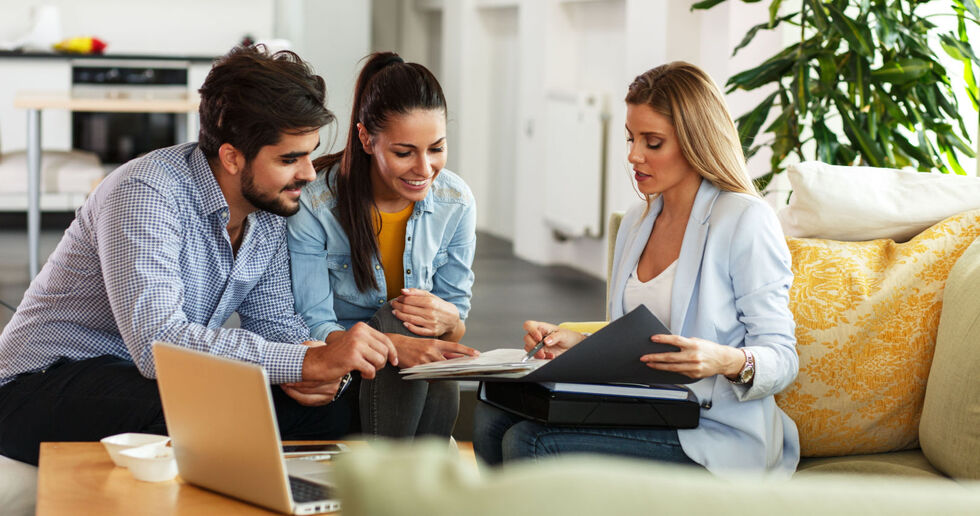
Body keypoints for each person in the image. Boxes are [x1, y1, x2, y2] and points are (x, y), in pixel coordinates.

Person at [0, 45, 396, 466]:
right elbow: (159, 343)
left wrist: (318, 370)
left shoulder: (268, 211)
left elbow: (276, 321)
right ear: (231, 157)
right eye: (289, 159)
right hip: (40, 384)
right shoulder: (146, 193)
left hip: (143, 379)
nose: (309, 173)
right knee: (205, 408)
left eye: (309, 154)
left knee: (334, 410)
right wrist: (304, 360)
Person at [473, 61, 800, 475]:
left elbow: (783, 358)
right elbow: (639, 339)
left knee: (529, 441)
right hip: (647, 410)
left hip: (714, 431)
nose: (633, 155)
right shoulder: (636, 221)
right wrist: (579, 344)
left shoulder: (744, 220)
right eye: (631, 138)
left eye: (653, 142)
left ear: (695, 141)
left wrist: (724, 360)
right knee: (490, 419)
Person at [287, 51, 478, 439]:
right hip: (344, 368)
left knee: (422, 325)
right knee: (401, 319)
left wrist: (449, 320)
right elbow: (313, 322)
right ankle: (414, 477)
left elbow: (455, 325)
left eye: (436, 148)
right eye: (404, 153)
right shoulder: (316, 203)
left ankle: (411, 479)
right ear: (366, 139)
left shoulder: (456, 201)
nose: (424, 169)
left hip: (414, 375)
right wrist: (395, 344)